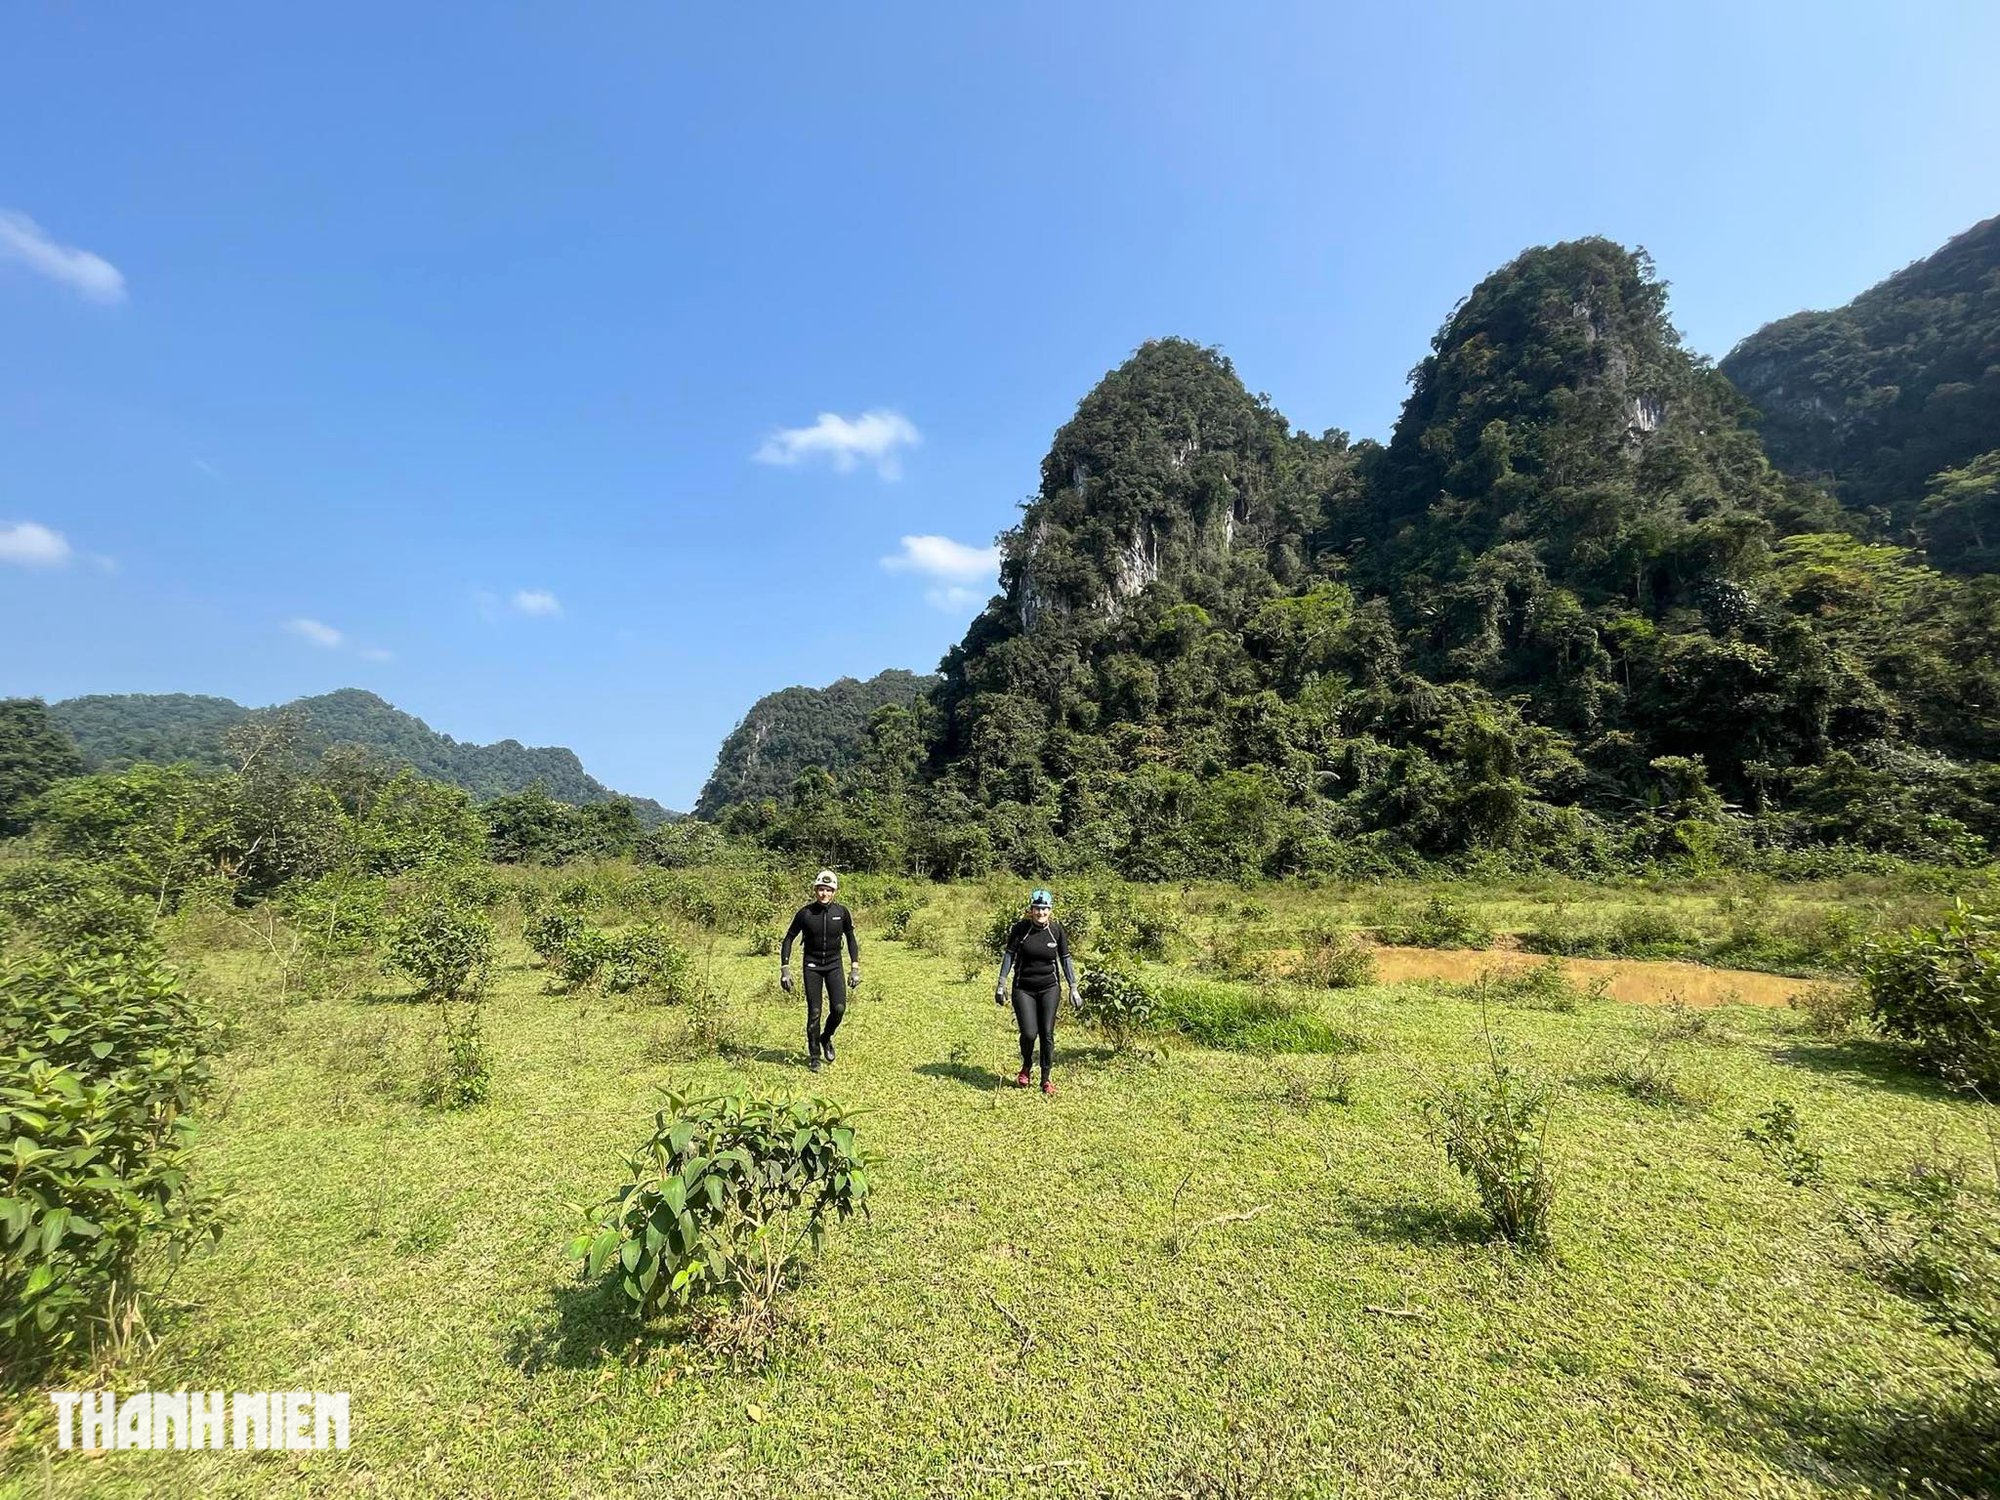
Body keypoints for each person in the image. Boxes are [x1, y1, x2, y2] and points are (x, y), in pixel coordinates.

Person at [994, 888, 1079, 1096]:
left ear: (1050, 910)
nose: (1041, 912)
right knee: (1030, 1033)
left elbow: (1065, 959)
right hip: (1023, 988)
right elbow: (1009, 955)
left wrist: (1073, 988)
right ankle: (1025, 1066)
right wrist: (1001, 984)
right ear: (1031, 909)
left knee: (1047, 1034)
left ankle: (1045, 1079)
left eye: (1045, 908)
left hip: (1050, 987)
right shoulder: (1021, 929)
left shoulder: (1056, 931)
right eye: (1037, 908)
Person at [780, 869, 860, 1073]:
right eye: (821, 889)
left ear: (834, 892)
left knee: (839, 1008)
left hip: (834, 964)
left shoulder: (841, 912)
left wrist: (854, 967)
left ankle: (826, 1037)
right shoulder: (805, 913)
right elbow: (789, 938)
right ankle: (814, 1056)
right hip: (812, 965)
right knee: (814, 1011)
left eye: (828, 890)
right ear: (815, 890)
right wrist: (785, 969)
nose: (824, 894)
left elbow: (851, 939)